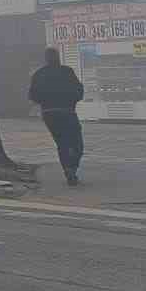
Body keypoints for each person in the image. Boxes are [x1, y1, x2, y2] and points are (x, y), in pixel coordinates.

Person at [28, 46, 86, 186]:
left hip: (49, 113)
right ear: (58, 57)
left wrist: (44, 102)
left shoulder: (39, 74)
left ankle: (68, 169)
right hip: (67, 111)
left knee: (62, 143)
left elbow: (33, 96)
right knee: (77, 142)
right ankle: (72, 168)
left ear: (46, 58)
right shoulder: (67, 71)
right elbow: (79, 90)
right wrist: (72, 100)